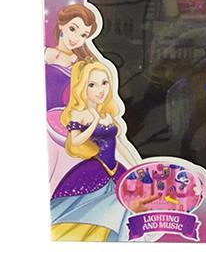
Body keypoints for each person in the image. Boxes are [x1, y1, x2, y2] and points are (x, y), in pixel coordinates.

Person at [50, 60, 139, 241]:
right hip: (94, 171)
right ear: (82, 87)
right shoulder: (79, 114)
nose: (100, 90)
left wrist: (136, 166)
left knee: (123, 207)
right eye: (92, 85)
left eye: (104, 83)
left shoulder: (108, 114)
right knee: (90, 211)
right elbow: (74, 140)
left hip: (116, 169)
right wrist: (93, 123)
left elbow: (119, 143)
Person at [44, 4, 99, 192]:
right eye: (73, 29)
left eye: (83, 35)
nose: (76, 38)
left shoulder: (82, 64)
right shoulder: (45, 53)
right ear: (61, 25)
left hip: (64, 122)